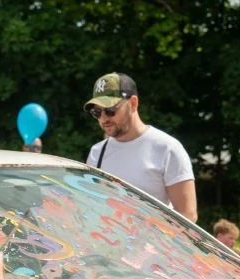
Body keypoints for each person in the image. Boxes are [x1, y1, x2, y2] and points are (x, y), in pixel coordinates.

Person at [84, 72, 197, 221]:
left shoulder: (167, 148)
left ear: (133, 104)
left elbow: (187, 216)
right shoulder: (97, 152)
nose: (104, 118)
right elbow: (91, 206)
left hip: (154, 243)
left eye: (110, 110)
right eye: (97, 112)